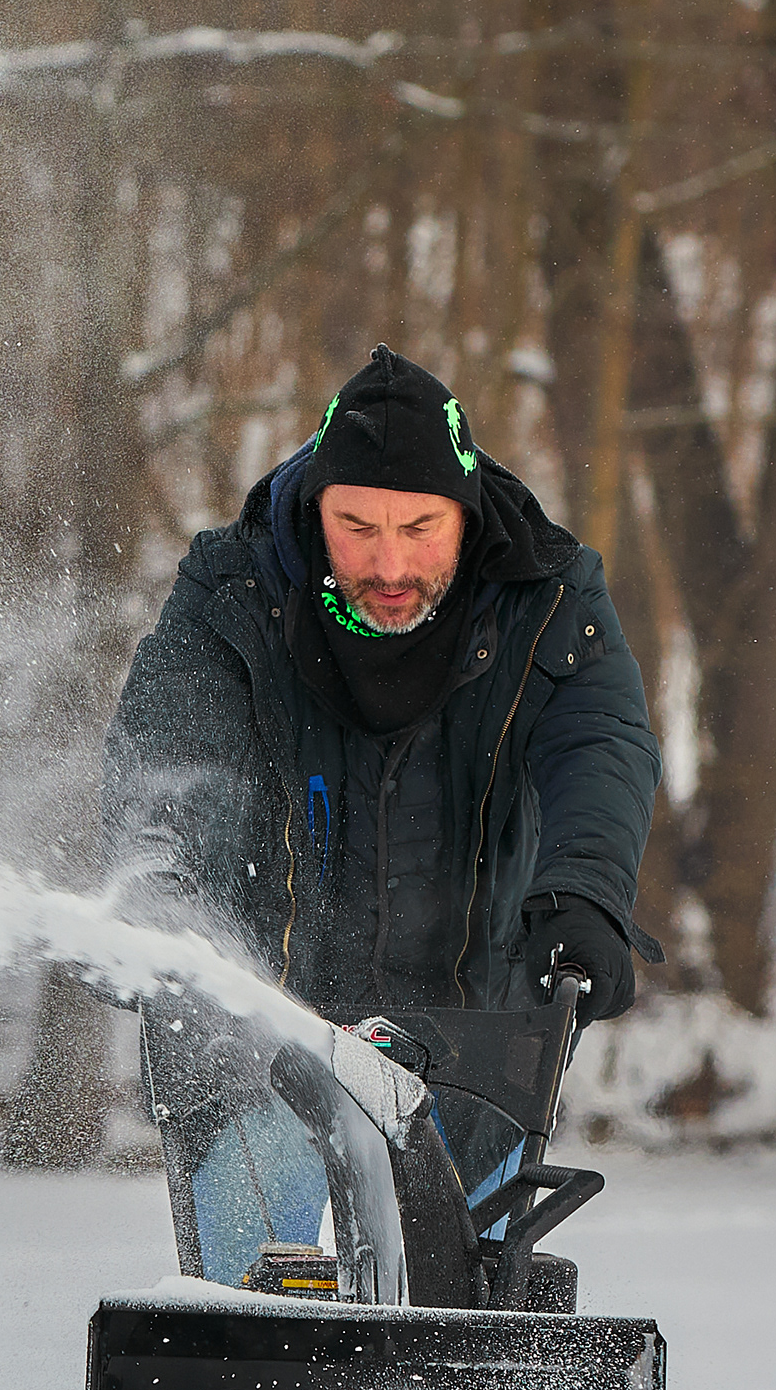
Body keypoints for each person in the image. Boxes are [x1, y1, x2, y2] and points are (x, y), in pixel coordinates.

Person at [100, 345, 660, 1286]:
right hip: (259, 1031)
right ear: (317, 507)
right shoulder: (234, 589)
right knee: (251, 1301)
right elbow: (167, 751)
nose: (389, 563)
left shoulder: (550, 597)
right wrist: (157, 882)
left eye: (420, 527)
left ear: (466, 513)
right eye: (356, 527)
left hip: (478, 1034)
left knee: (454, 1301)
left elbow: (601, 745)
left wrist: (585, 893)